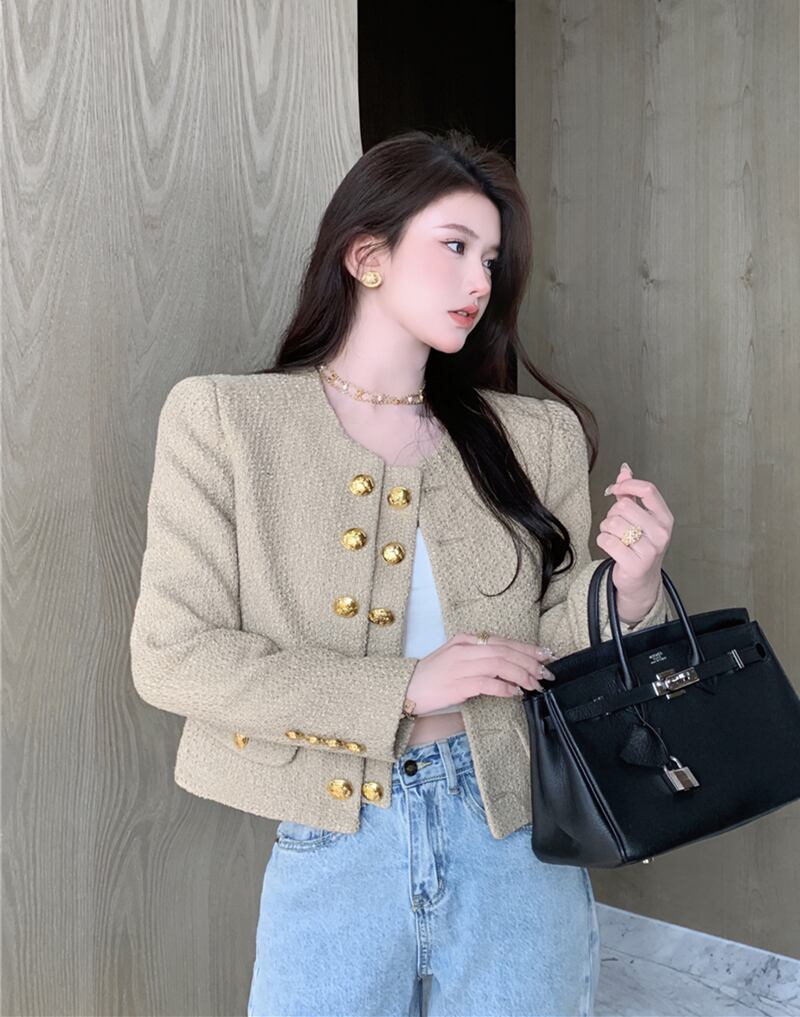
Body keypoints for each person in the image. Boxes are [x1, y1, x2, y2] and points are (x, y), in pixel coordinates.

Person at [130, 128, 675, 1017]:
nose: (479, 281)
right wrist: (409, 685)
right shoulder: (225, 421)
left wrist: (633, 586)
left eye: (490, 259)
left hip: (516, 832)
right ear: (366, 256)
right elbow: (172, 655)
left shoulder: (534, 435)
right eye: (454, 246)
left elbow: (557, 644)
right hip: (336, 839)